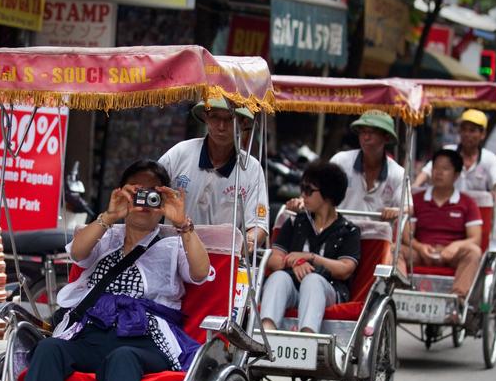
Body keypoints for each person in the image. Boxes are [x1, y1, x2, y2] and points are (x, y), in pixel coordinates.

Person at [19, 160, 210, 381]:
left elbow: (201, 272)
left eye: (153, 195)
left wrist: (183, 223)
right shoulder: (106, 236)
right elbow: (77, 254)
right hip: (92, 334)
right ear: (123, 193)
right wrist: (110, 215)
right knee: (50, 349)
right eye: (136, 193)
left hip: (146, 341)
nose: (144, 201)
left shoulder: (173, 244)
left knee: (123, 357)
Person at [260, 160, 360, 334]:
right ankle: (266, 334)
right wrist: (295, 261)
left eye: (309, 190)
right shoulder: (294, 222)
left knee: (312, 281)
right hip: (293, 287)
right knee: (278, 278)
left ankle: (307, 337)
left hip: (329, 289)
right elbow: (273, 260)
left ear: (328, 194)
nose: (303, 195)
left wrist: (312, 258)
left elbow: (345, 269)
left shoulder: (348, 230)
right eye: (302, 188)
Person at [159, 98, 268, 252]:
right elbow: (152, 191)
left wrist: (248, 241)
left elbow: (259, 226)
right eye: (215, 117)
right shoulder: (180, 153)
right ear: (206, 117)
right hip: (173, 250)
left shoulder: (252, 168)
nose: (221, 126)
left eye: (230, 119)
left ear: (243, 123)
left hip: (222, 257)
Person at [287, 110, 409, 220]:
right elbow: (317, 187)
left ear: (386, 138)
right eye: (362, 132)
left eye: (371, 132)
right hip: (340, 234)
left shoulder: (398, 173)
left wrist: (397, 211)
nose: (366, 137)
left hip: (377, 239)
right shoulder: (341, 160)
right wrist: (302, 201)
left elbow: (409, 206)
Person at [401, 149, 483, 301]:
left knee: (474, 252)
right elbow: (407, 236)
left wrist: (456, 246)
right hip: (421, 252)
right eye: (435, 168)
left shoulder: (467, 203)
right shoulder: (416, 200)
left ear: (456, 175)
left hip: (452, 254)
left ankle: (457, 300)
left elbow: (475, 238)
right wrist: (419, 247)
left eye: (445, 169)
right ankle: (400, 294)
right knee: (393, 250)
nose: (438, 173)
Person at [413, 109, 496, 199]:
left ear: (482, 134)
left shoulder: (490, 159)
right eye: (464, 129)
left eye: (472, 130)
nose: (467, 134)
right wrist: (413, 189)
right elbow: (427, 172)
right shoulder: (448, 152)